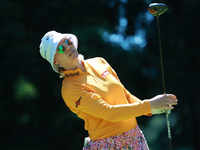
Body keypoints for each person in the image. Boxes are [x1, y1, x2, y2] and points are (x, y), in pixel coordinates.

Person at [39, 30, 178, 150]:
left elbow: (125, 95)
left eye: (68, 41)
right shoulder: (70, 88)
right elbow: (109, 112)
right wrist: (149, 105)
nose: (68, 47)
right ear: (55, 61)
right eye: (61, 49)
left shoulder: (99, 62)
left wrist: (151, 109)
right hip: (106, 144)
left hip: (135, 136)